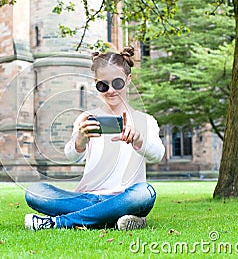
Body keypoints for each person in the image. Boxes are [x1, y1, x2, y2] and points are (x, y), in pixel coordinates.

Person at [24, 46, 165, 231]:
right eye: (103, 85)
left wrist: (139, 140)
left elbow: (158, 154)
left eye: (118, 83)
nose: (111, 90)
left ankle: (58, 223)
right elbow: (71, 156)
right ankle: (117, 216)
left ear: (128, 80)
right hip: (87, 197)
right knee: (35, 192)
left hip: (126, 195)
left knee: (144, 193)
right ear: (95, 84)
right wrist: (80, 141)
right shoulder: (86, 119)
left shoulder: (145, 120)